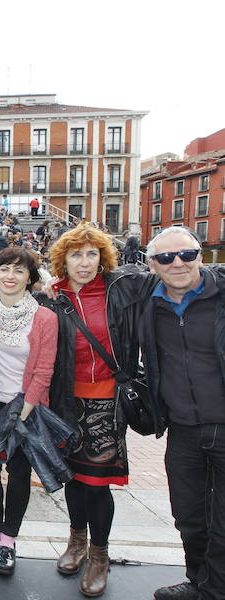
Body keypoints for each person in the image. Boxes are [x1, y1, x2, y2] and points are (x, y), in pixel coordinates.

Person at [40, 224, 154, 597]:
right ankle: (75, 541)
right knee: (73, 478)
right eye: (76, 254)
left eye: (92, 254)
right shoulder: (52, 297)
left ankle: (99, 555)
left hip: (107, 401)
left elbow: (157, 276)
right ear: (63, 259)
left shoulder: (117, 290)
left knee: (97, 483)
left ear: (102, 258)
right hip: (66, 402)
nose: (84, 262)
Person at [139, 227, 224, 600]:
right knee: (188, 514)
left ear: (200, 256)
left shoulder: (221, 296)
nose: (177, 263)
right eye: (166, 258)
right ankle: (198, 579)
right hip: (182, 429)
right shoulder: (146, 302)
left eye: (187, 255)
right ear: (152, 265)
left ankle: (215, 588)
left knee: (222, 520)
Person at [0, 247, 58, 576]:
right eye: (4, 269)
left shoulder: (44, 317)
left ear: (30, 278)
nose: (10, 276)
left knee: (19, 475)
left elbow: (44, 370)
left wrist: (23, 412)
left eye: (19, 271)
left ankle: (9, 540)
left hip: (25, 406)